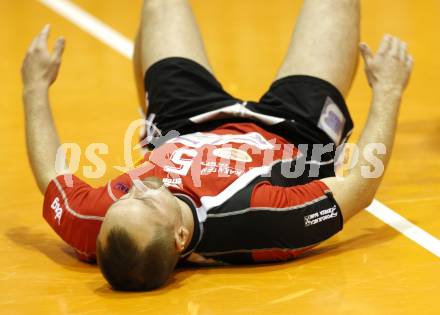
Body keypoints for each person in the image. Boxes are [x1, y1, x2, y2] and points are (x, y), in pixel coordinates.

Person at [21, 0, 413, 291]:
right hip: (295, 130)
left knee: (160, 4)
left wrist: (34, 87)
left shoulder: (103, 226)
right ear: (178, 238)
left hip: (182, 122)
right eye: (142, 201)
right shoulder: (261, 222)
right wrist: (389, 89)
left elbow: (52, 179)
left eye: (122, 197)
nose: (134, 186)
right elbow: (360, 186)